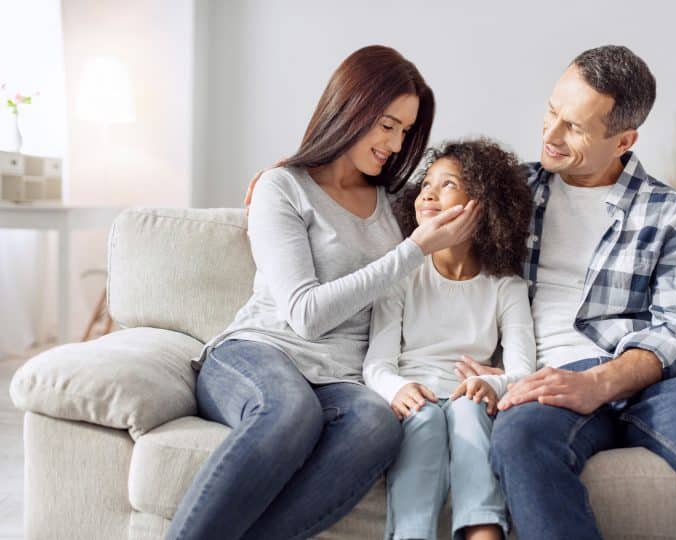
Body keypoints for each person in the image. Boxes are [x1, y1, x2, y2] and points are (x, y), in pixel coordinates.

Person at [455, 45, 676, 540]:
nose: (550, 135)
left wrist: (599, 382)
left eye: (574, 127)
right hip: (547, 375)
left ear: (624, 139)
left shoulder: (670, 212)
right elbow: (431, 245)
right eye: (553, 110)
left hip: (662, 382)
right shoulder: (512, 194)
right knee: (521, 440)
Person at [166, 45, 480, 540]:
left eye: (405, 131)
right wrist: (412, 250)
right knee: (290, 411)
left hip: (342, 378)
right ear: (350, 106)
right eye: (387, 125)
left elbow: (480, 179)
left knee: (378, 424)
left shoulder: (397, 202)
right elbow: (305, 315)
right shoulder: (282, 188)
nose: (396, 145)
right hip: (259, 352)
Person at [363, 139, 535, 540]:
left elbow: (523, 369)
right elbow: (377, 364)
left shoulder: (506, 285)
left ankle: (483, 531)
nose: (428, 192)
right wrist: (398, 389)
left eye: (447, 184)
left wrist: (491, 383)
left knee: (470, 413)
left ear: (482, 202)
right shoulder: (403, 272)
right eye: (426, 183)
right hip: (415, 392)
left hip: (468, 393)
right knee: (423, 422)